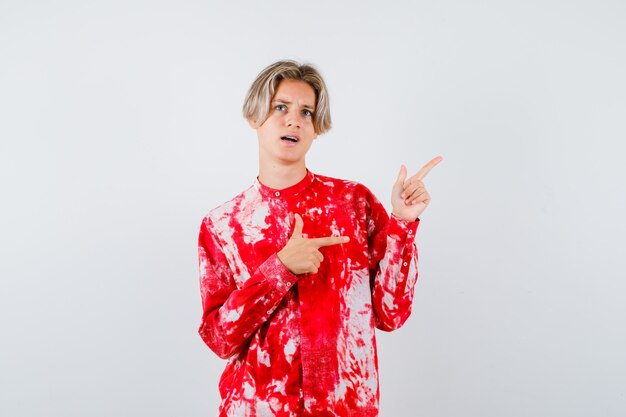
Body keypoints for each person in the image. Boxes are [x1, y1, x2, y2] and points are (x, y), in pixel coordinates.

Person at [197, 60, 442, 417]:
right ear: (255, 117)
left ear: (316, 128)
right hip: (258, 407)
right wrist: (279, 269)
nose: (293, 120)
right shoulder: (223, 224)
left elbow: (391, 314)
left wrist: (402, 225)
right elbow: (219, 339)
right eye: (280, 107)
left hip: (344, 407)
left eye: (306, 112)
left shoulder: (353, 204)